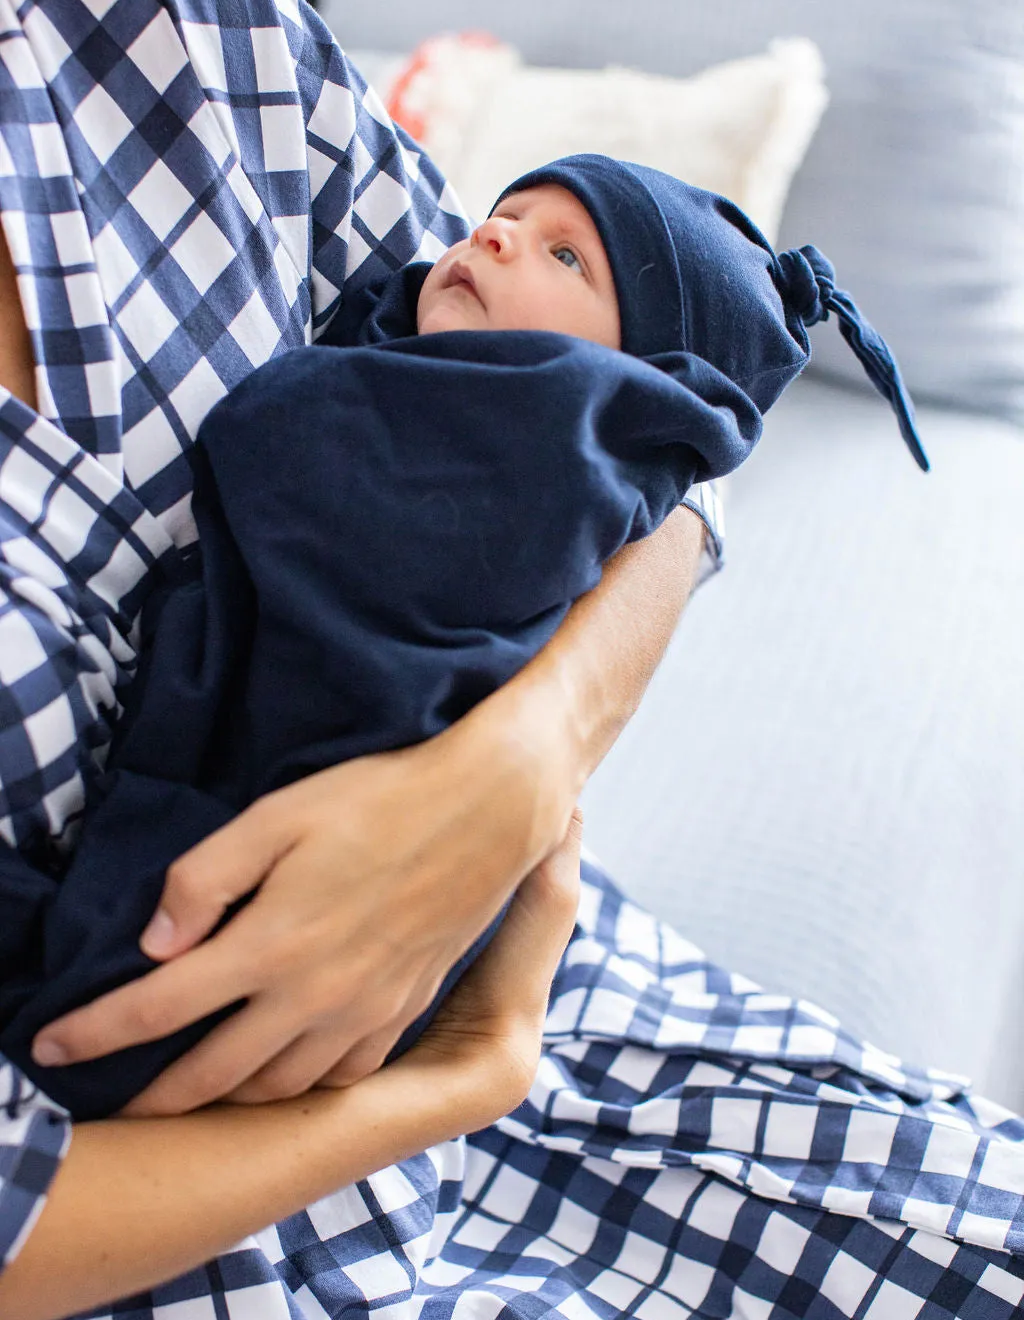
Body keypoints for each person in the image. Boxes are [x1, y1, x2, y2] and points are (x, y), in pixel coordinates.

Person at [2, 0, 1024, 1320]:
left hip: (556, 982)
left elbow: (658, 460)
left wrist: (514, 772)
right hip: (172, 1276)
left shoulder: (179, 25)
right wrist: (448, 1085)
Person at [3, 157, 926, 1120]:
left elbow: (285, 437)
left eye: (565, 254)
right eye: (504, 214)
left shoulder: (553, 432)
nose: (493, 235)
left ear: (646, 382)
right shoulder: (469, 351)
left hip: (362, 840)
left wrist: (532, 752)